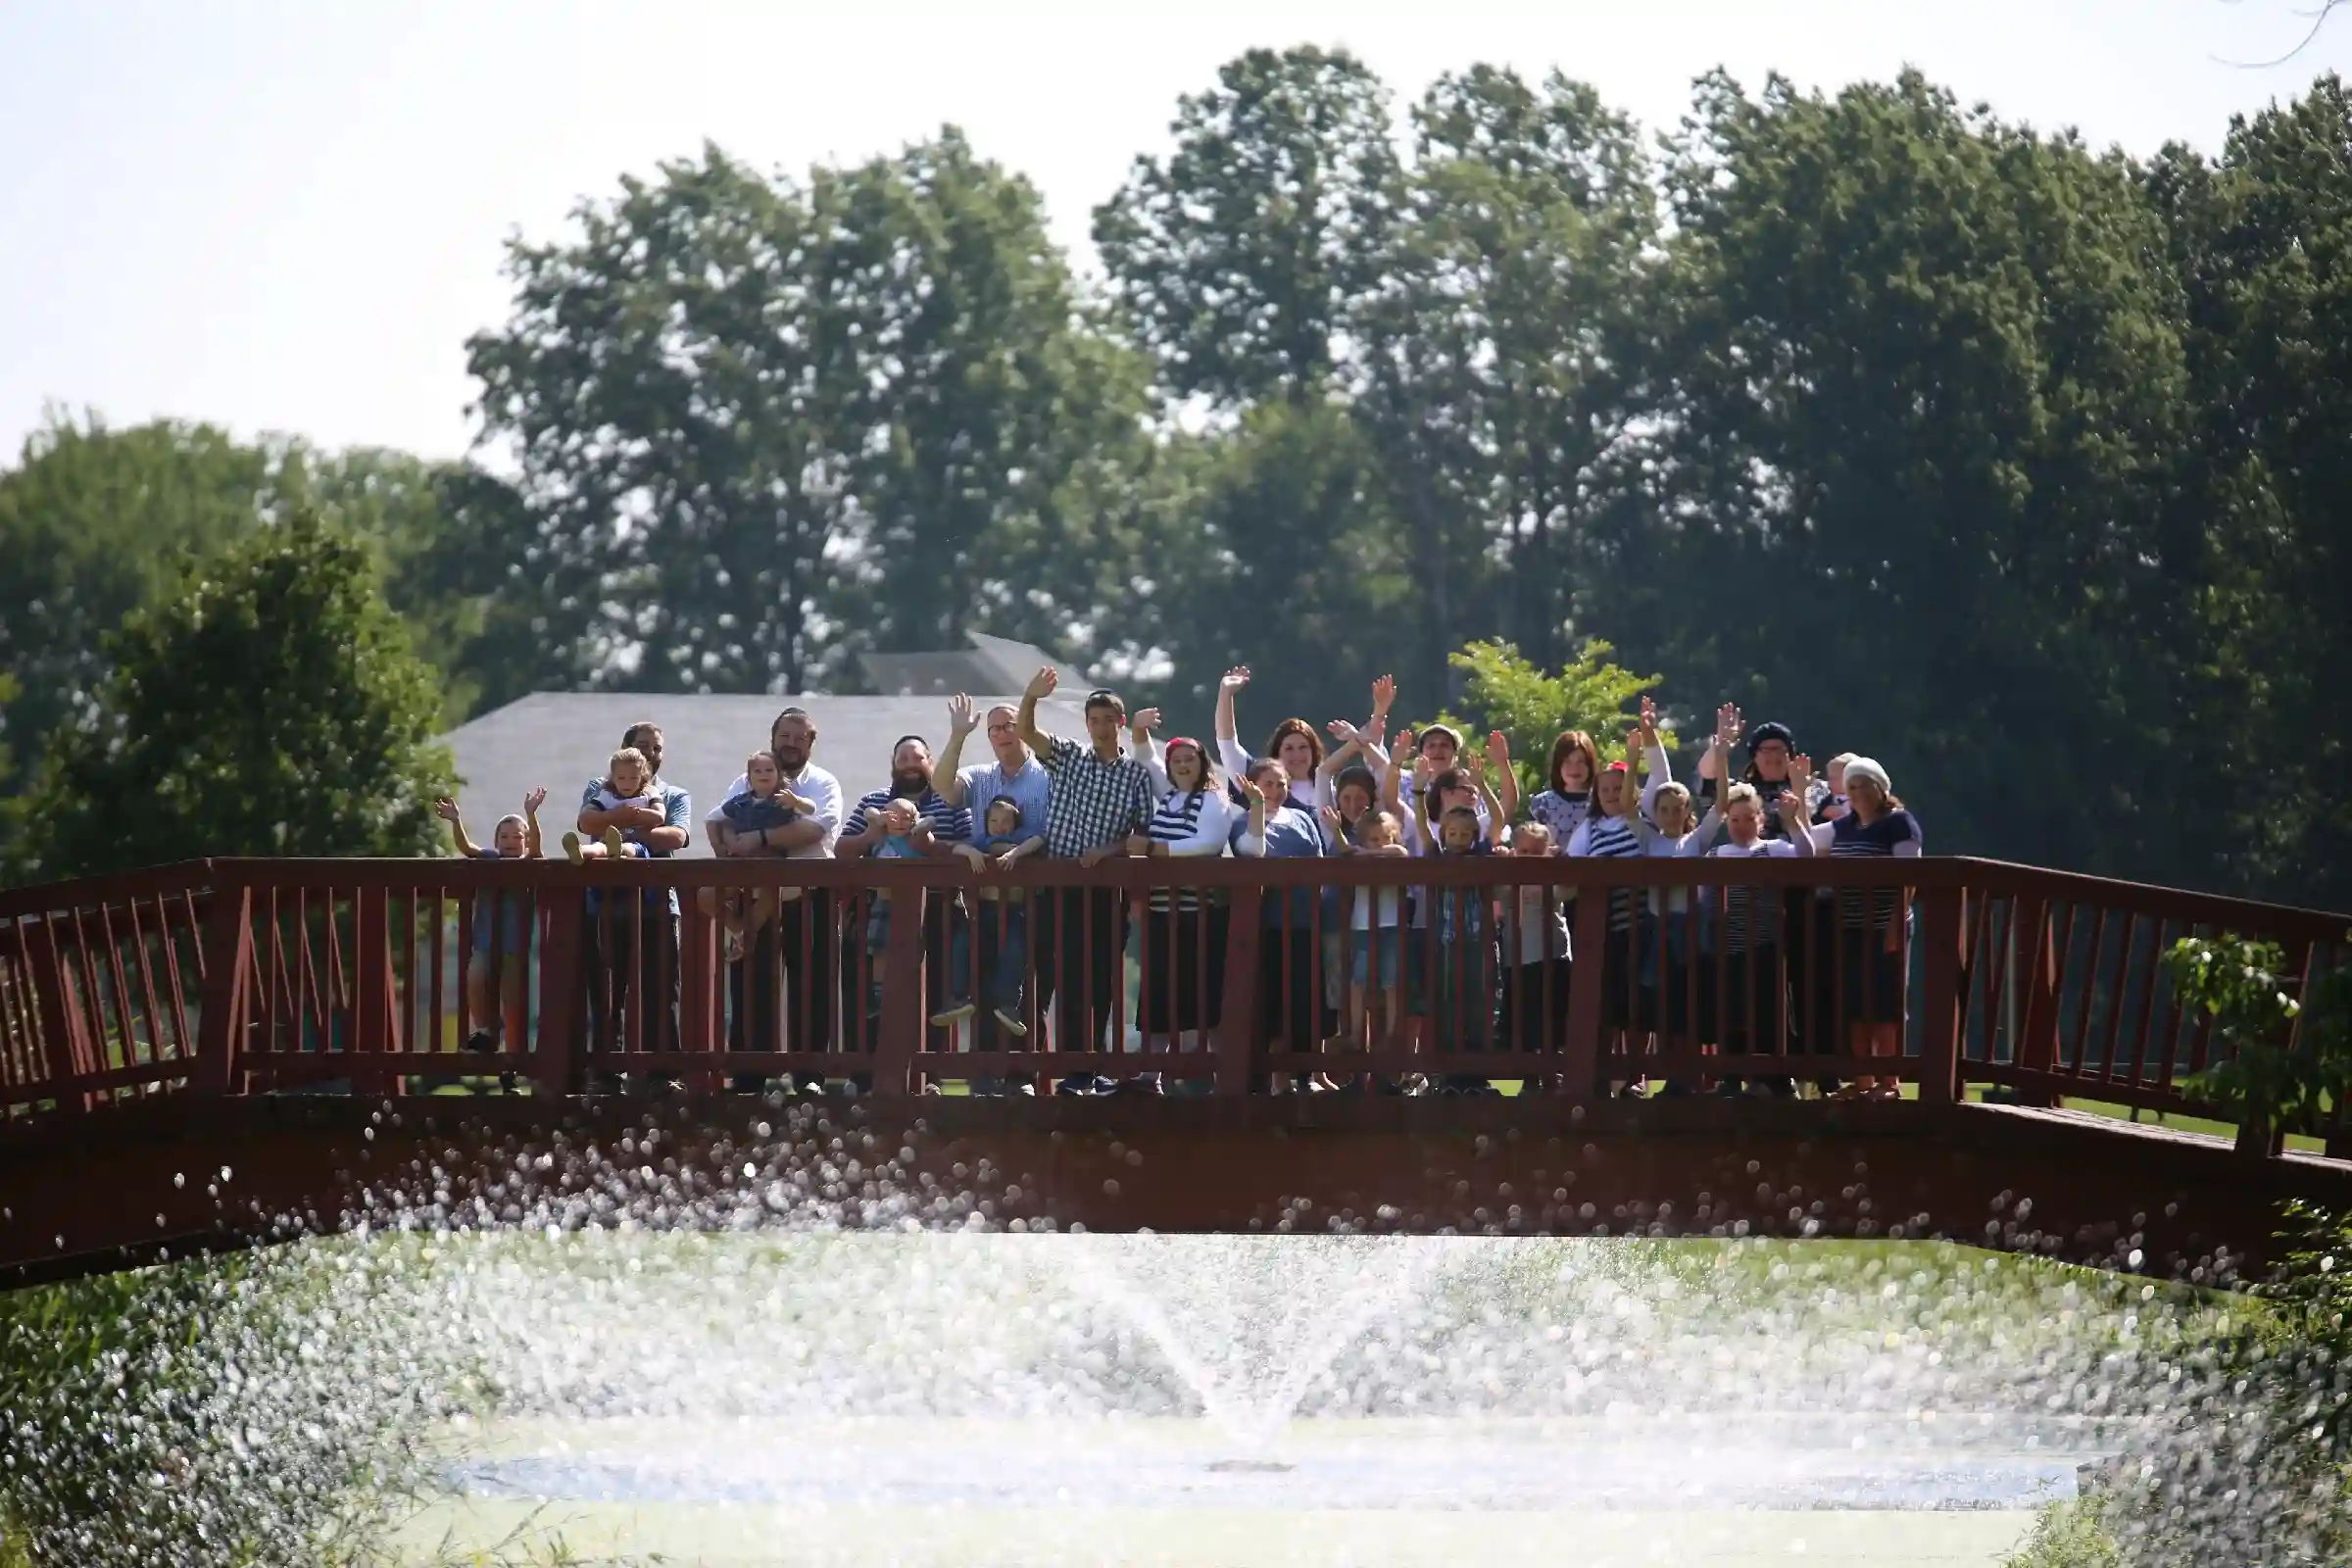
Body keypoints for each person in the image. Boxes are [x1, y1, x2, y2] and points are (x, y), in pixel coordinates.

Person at [1017, 668, 1154, 1095]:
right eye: (1092, 720)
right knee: (1050, 981)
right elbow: (1027, 732)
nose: (1098, 728)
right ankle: (1039, 1071)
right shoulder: (1070, 756)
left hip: (1102, 889)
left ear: (1120, 722)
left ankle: (1087, 1069)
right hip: (1058, 885)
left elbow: (1142, 836)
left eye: (1106, 720)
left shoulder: (1135, 775)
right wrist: (1031, 696)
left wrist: (1108, 851)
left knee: (1097, 981)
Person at [710, 709, 841, 1091]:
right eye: (785, 736)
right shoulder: (747, 780)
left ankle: (807, 1076)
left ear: (811, 744)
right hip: (754, 894)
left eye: (800, 738)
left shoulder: (822, 783)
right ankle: (750, 1074)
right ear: (773, 737)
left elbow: (814, 829)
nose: (791, 744)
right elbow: (721, 822)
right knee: (751, 981)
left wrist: (760, 839)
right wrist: (729, 850)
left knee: (810, 983)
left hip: (810, 892)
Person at [1786, 755, 1922, 1102]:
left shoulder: (1899, 823)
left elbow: (1909, 879)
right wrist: (1798, 796)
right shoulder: (1844, 826)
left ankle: (1889, 1083)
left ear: (1880, 788)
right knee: (1855, 1006)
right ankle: (1862, 1082)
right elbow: (1805, 845)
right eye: (1853, 787)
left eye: (1864, 785)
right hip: (1849, 928)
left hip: (1885, 927)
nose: (1859, 793)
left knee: (1886, 1007)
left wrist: (1895, 924)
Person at [837, 733, 974, 1056]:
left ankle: (930, 1076)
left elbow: (970, 849)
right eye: (903, 760)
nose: (911, 766)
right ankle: (865, 1076)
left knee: (935, 992)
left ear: (931, 763)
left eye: (918, 759)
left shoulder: (951, 802)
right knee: (868, 993)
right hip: (875, 906)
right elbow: (841, 849)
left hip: (939, 907)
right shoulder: (874, 802)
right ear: (893, 765)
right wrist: (872, 834)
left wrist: (931, 848)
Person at [936, 693, 1055, 1056]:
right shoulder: (980, 776)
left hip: (1035, 900)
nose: (1002, 734)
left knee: (1030, 993)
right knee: (984, 988)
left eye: (1009, 726)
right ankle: (985, 1082)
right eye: (994, 730)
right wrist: (958, 736)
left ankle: (1023, 1079)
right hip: (984, 900)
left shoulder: (1049, 776)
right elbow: (943, 787)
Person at [573, 721, 691, 1077]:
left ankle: (664, 1073)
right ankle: (609, 1071)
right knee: (608, 992)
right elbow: (587, 823)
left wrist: (623, 827)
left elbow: (676, 835)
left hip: (657, 903)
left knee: (661, 990)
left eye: (657, 748)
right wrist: (624, 820)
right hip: (606, 904)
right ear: (627, 749)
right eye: (644, 746)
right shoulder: (601, 786)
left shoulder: (673, 794)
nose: (651, 753)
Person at [1126, 717, 1237, 1083]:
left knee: (1206, 992)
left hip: (1201, 914)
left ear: (1202, 763)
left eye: (1190, 758)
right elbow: (1145, 756)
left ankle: (1218, 1075)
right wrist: (1139, 728)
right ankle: (1150, 1075)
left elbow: (1207, 842)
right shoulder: (1169, 794)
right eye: (1177, 760)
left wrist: (1154, 849)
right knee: (1158, 993)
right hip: (1162, 913)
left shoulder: (1214, 798)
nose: (1183, 765)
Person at [1703, 782, 1810, 1098]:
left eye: (1749, 818)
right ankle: (1732, 1076)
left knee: (1768, 1013)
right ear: (1726, 821)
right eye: (1735, 819)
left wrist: (1793, 821)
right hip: (1727, 947)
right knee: (1731, 1011)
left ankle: (1775, 1078)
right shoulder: (1716, 855)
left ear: (1761, 819)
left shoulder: (1773, 848)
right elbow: (1705, 897)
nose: (1742, 825)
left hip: (1766, 945)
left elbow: (1806, 855)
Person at [1233, 759, 1333, 1090]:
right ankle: (1268, 1080)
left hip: (1306, 922)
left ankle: (1305, 1075)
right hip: (1266, 926)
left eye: (1280, 784)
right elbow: (1251, 854)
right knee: (1270, 1002)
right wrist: (1258, 808)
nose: (1275, 791)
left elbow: (1318, 862)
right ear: (1251, 786)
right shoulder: (1241, 821)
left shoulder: (1303, 818)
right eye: (1268, 784)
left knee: (1306, 999)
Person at [435, 788, 545, 1062]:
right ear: (496, 841)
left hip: (515, 947)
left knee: (512, 996)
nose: (511, 841)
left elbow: (536, 849)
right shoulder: (489, 860)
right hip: (485, 941)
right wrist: (455, 820)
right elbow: (466, 848)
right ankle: (484, 1030)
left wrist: (531, 815)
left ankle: (513, 1050)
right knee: (476, 976)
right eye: (504, 837)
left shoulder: (527, 864)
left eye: (517, 837)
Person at [1567, 741, 1648, 1097]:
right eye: (1606, 789)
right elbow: (1572, 866)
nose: (1612, 794)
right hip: (1602, 932)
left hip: (1641, 925)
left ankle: (1635, 1074)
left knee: (1638, 1001)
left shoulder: (1640, 823)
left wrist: (1634, 758)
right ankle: (1601, 1075)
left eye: (1619, 788)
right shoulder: (1590, 828)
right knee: (1605, 1001)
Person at [936, 797, 1044, 1053]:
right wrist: (972, 853)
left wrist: (1016, 853)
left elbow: (1039, 839)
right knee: (963, 944)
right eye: (994, 820)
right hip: (984, 908)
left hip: (1015, 909)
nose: (1000, 826)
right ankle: (959, 996)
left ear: (1016, 823)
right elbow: (956, 847)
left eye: (1006, 821)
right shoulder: (982, 840)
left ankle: (1008, 1004)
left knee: (1016, 952)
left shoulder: (1021, 839)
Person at [1428, 766, 1506, 1089]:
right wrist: (1420, 791)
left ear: (1473, 836)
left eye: (1464, 834)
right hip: (1447, 942)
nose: (1458, 840)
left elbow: (1499, 819)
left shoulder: (1481, 854)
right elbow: (1422, 826)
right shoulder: (1437, 857)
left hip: (1480, 940)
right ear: (1444, 834)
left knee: (1482, 1003)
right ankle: (1449, 1073)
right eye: (1452, 834)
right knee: (1447, 1003)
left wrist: (1484, 783)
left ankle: (1477, 1072)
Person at [1322, 805, 1409, 1074]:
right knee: (1358, 981)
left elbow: (1401, 852)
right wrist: (1337, 830)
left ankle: (1394, 1035)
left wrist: (1370, 853)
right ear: (1363, 839)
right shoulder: (1356, 855)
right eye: (1374, 839)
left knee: (1391, 982)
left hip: (1392, 925)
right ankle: (1357, 1034)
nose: (1383, 844)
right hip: (1361, 927)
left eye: (1387, 837)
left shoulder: (1394, 855)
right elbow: (1346, 850)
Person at [698, 751, 812, 958]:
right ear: (749, 777)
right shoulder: (739, 802)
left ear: (779, 774)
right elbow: (712, 819)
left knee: (770, 893)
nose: (763, 774)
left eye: (769, 770)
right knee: (706, 895)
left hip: (770, 865)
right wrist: (720, 846)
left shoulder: (783, 799)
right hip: (739, 864)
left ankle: (748, 934)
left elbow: (811, 810)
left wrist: (797, 802)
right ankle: (740, 931)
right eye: (757, 771)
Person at [1497, 819, 1571, 1069]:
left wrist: (1560, 864)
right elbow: (1495, 890)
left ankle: (1552, 1072)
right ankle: (1529, 1075)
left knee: (1552, 1019)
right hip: (1517, 959)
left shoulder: (1553, 880)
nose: (1529, 859)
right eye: (1523, 852)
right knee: (1523, 1021)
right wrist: (1502, 863)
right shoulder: (1509, 883)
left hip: (1552, 956)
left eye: (1537, 852)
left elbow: (1569, 891)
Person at [563, 748, 660, 863]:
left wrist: (634, 815)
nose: (626, 783)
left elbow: (659, 817)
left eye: (633, 778)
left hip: (638, 844)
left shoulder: (649, 793)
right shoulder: (607, 796)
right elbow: (584, 817)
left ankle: (619, 850)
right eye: (621, 778)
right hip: (607, 841)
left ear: (642, 777)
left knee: (630, 847)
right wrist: (613, 815)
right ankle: (581, 851)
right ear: (613, 777)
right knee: (599, 846)